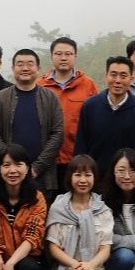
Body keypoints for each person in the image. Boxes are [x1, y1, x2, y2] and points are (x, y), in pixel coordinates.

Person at [46, 155, 124, 270]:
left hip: (94, 268)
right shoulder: (59, 207)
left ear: (94, 178)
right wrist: (76, 265)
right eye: (78, 175)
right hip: (66, 268)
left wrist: (90, 265)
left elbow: (105, 248)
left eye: (88, 175)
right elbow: (53, 247)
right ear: (69, 177)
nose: (83, 180)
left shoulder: (102, 210)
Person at [0, 49, 64, 195]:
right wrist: (11, 166)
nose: (25, 68)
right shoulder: (1, 98)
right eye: (20, 64)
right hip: (8, 176)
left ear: (38, 68)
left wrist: (36, 168)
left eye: (30, 64)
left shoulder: (50, 97)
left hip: (42, 176)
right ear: (13, 68)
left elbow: (58, 134)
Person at [74, 56, 135, 179]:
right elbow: (80, 147)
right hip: (93, 180)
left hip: (125, 181)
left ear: (131, 79)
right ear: (106, 76)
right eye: (113, 75)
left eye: (123, 76)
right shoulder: (90, 106)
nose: (117, 80)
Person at [38, 37, 100, 183]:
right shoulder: (40, 85)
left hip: (77, 160)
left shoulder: (88, 85)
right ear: (51, 56)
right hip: (46, 160)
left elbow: (96, 123)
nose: (63, 58)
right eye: (59, 54)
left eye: (68, 54)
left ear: (75, 57)